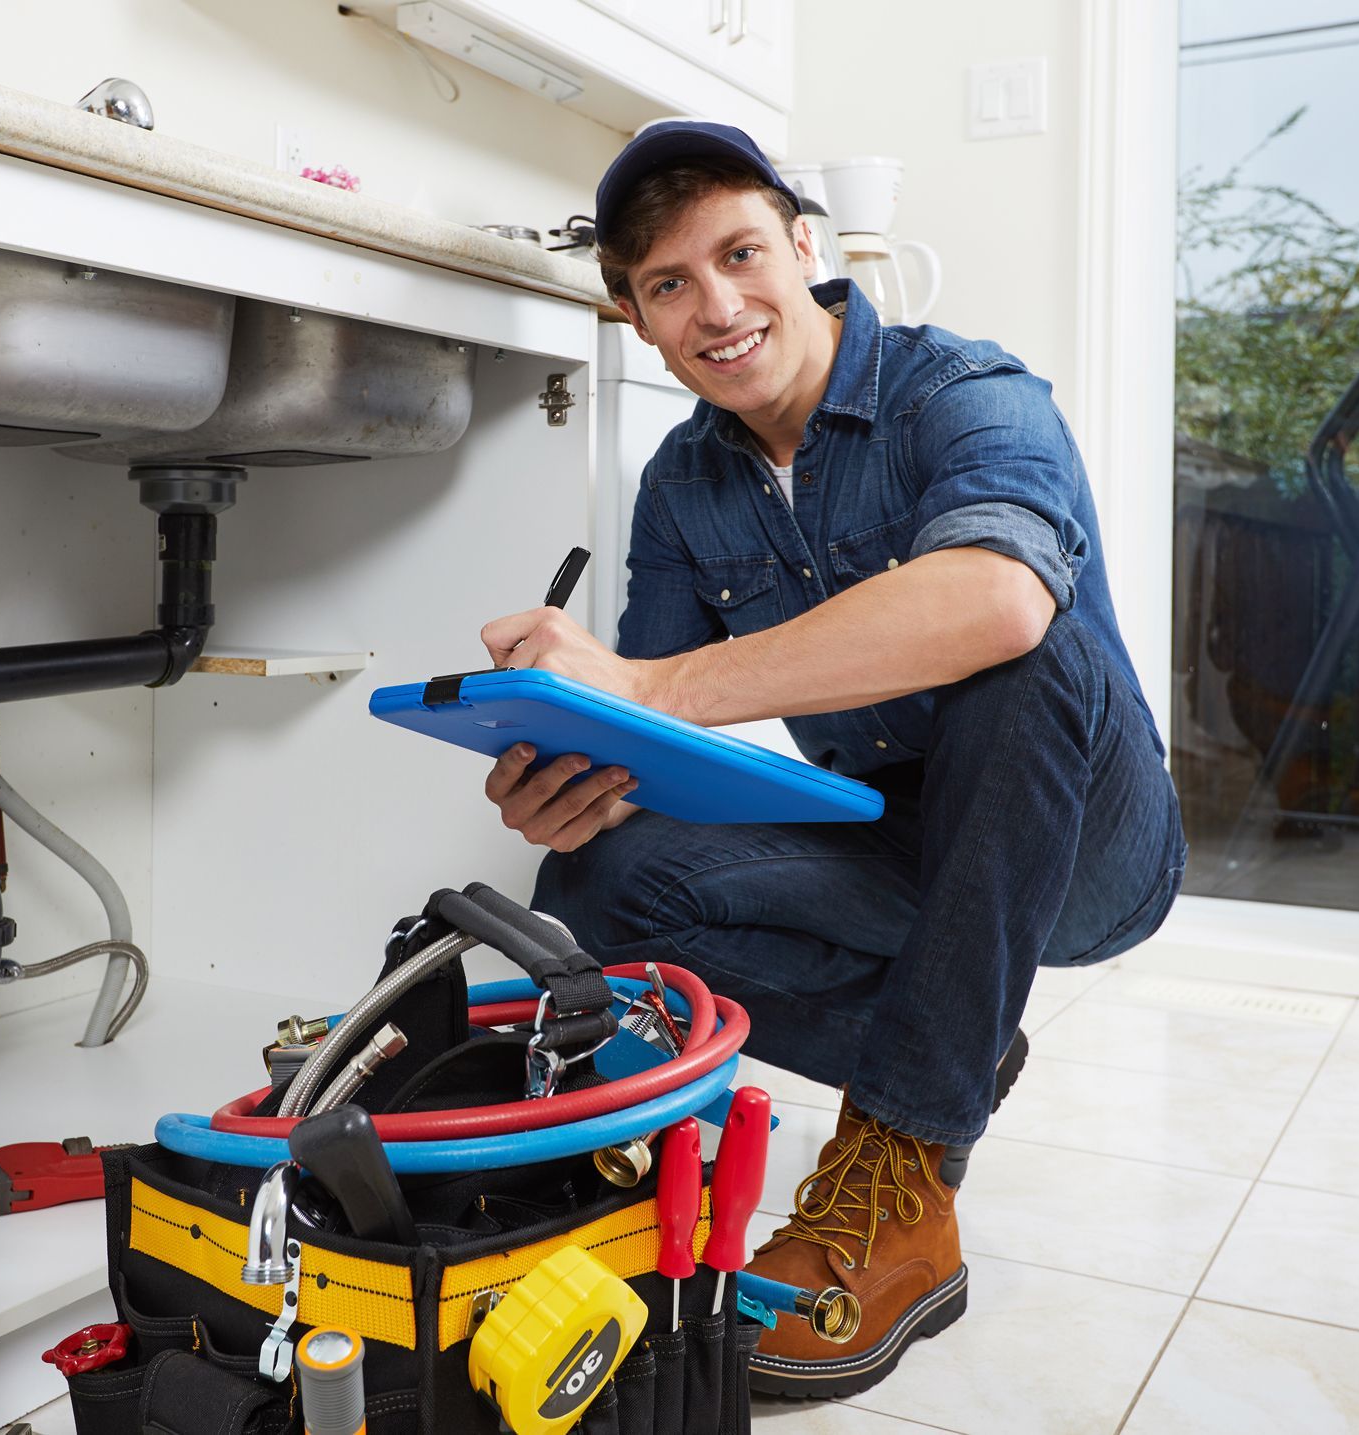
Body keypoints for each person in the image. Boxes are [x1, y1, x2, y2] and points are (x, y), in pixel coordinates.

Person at [477, 123, 1186, 1400]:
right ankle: (914, 1056)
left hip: (1090, 846)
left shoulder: (967, 390)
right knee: (602, 881)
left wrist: (649, 685)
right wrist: (576, 770)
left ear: (808, 247)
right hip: (905, 846)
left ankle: (908, 1169)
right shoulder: (684, 481)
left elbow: (1001, 607)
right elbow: (658, 730)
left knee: (1015, 640)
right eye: (669, 285)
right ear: (635, 319)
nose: (718, 305)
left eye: (741, 253)